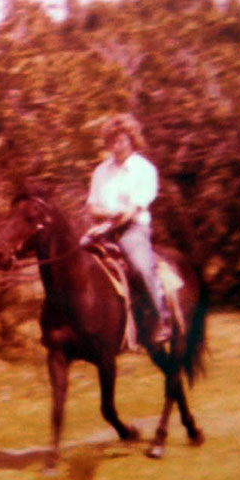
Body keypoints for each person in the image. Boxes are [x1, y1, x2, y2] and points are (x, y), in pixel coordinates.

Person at [80, 113, 172, 345]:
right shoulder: (101, 171)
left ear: (132, 140)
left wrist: (108, 221)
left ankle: (161, 319)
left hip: (133, 230)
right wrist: (107, 218)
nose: (116, 146)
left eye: (121, 140)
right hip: (102, 228)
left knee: (140, 266)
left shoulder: (145, 170)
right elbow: (92, 207)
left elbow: (131, 211)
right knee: (76, 259)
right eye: (112, 141)